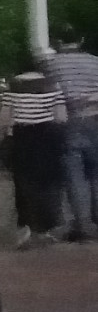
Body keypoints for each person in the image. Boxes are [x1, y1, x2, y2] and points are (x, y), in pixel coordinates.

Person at [0, 71, 68, 249]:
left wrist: (3, 134)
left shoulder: (14, 87)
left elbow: (4, 119)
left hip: (22, 137)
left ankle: (25, 226)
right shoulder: (52, 85)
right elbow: (61, 117)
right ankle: (45, 228)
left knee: (23, 182)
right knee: (47, 182)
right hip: (47, 137)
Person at [40, 26, 98, 242]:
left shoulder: (50, 64)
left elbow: (48, 95)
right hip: (95, 119)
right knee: (95, 172)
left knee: (74, 175)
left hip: (67, 121)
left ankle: (83, 226)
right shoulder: (95, 61)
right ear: (81, 39)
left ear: (58, 41)